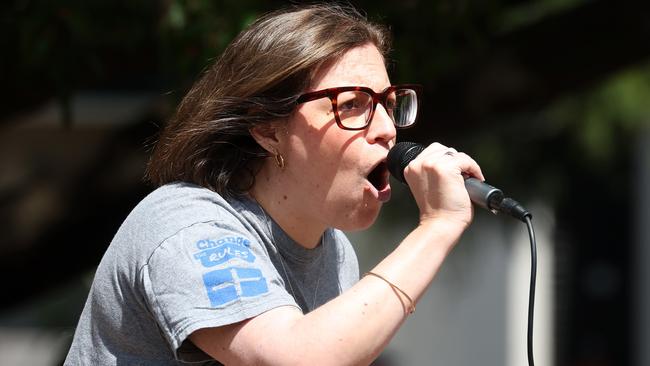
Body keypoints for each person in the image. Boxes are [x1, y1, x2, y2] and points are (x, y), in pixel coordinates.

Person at [64, 3, 483, 365]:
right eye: (353, 104)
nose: (387, 129)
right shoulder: (190, 226)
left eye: (389, 105)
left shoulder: (334, 253)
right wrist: (438, 226)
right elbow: (296, 359)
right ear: (267, 128)